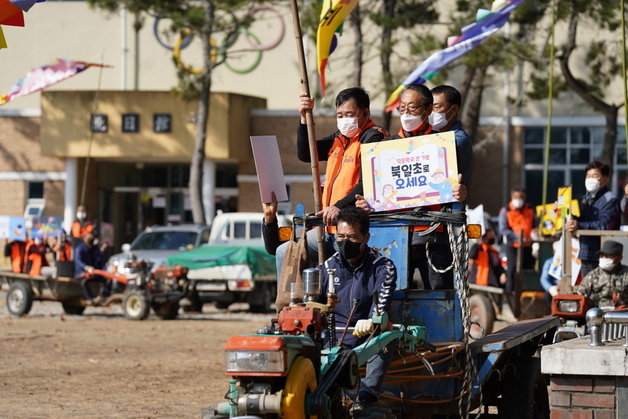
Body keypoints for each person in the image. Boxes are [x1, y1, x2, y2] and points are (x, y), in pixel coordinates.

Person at [357, 84, 470, 290]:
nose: (406, 114)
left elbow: (459, 188)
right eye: (402, 108)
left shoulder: (445, 145)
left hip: (434, 237)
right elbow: (372, 191)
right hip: (395, 238)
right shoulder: (385, 148)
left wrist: (460, 193)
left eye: (413, 108)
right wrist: (367, 202)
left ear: (427, 110)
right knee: (393, 297)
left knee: (439, 298)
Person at [275, 87, 388, 274]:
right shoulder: (339, 138)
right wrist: (304, 119)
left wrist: (339, 206)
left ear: (365, 113)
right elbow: (306, 154)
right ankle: (290, 302)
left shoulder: (372, 137)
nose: (344, 120)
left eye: (349, 114)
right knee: (284, 252)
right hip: (328, 228)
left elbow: (369, 181)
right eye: (340, 115)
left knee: (342, 276)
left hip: (352, 230)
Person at [315, 207, 397, 412]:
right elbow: (312, 307)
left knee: (386, 333)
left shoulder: (383, 266)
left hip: (367, 336)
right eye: (340, 236)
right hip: (334, 337)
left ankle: (366, 395)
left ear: (366, 237)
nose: (345, 242)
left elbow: (382, 302)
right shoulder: (325, 268)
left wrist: (372, 319)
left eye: (352, 237)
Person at [566, 160, 621, 279]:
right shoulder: (584, 200)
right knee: (588, 294)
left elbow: (605, 225)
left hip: (605, 256)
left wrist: (580, 225)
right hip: (586, 253)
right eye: (588, 176)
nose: (590, 179)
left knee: (603, 294)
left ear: (606, 178)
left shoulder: (610, 199)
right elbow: (578, 220)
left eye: (595, 175)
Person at [498, 187, 537, 292]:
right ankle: (511, 296)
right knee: (511, 272)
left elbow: (535, 225)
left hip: (527, 246)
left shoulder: (530, 209)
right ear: (512, 197)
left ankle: (526, 296)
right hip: (512, 246)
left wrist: (534, 233)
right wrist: (517, 237)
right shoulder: (505, 211)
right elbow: (503, 229)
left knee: (528, 271)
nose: (518, 199)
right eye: (515, 197)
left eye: (520, 197)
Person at [574, 240, 628, 308]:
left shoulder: (626, 273)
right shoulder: (593, 275)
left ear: (619, 258)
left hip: (623, 313)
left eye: (608, 256)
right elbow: (580, 295)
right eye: (602, 255)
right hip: (598, 314)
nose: (604, 258)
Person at [74, 231, 108, 304]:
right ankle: (90, 299)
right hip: (81, 272)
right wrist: (85, 267)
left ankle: (104, 297)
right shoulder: (80, 248)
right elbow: (78, 260)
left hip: (94, 272)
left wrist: (105, 271)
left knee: (107, 279)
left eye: (92, 237)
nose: (91, 238)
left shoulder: (95, 249)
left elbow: (100, 260)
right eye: (90, 236)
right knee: (84, 281)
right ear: (84, 238)